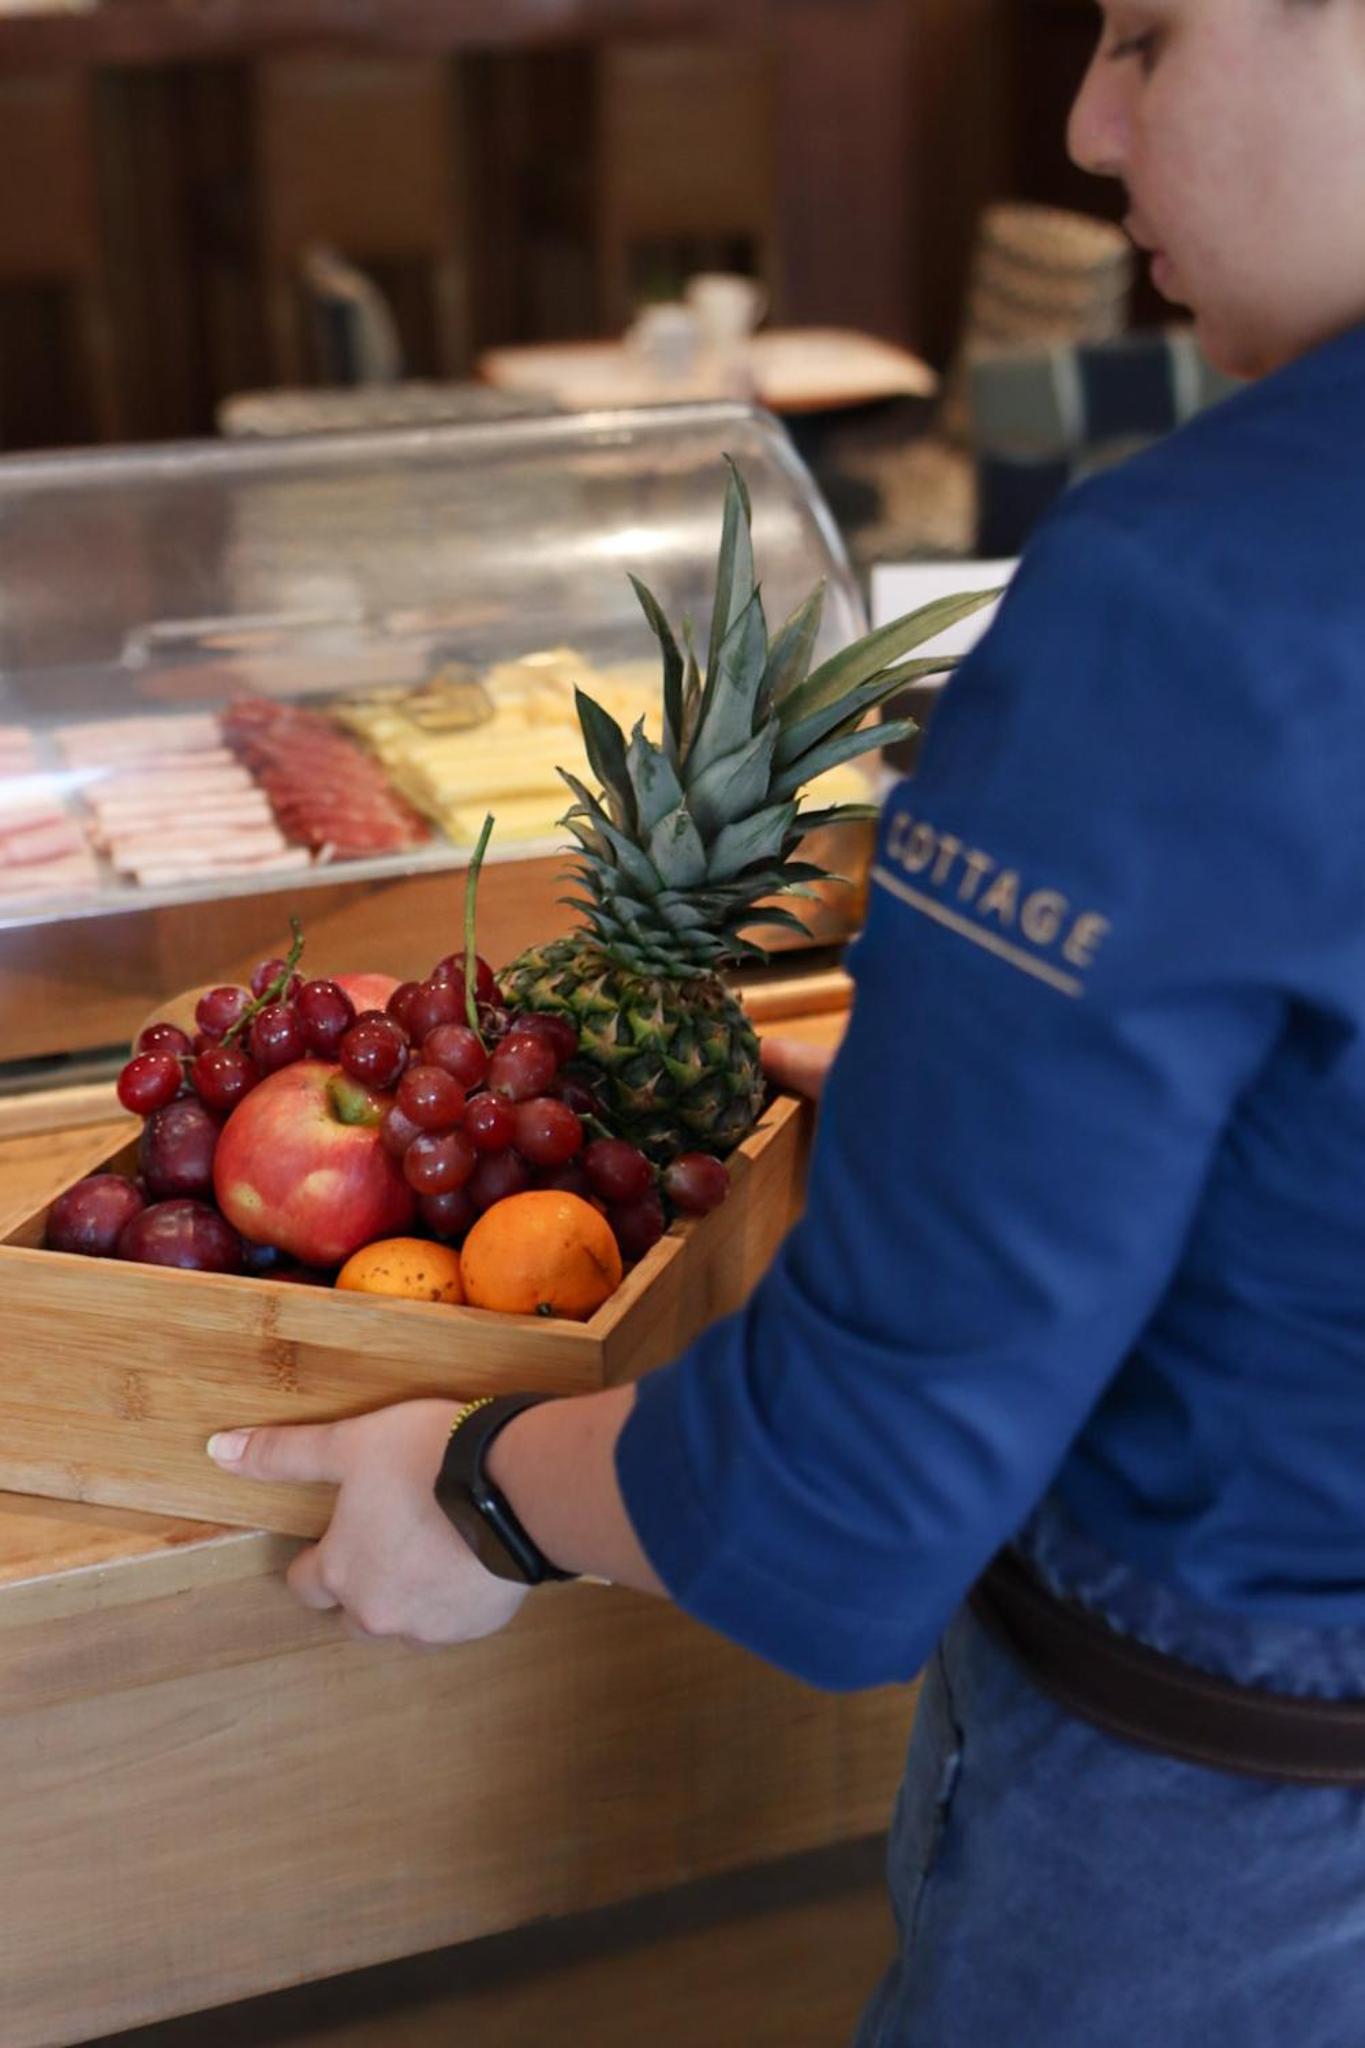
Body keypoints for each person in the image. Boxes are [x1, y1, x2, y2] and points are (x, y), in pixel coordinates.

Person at [207, 1, 1365, 2037]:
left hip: (1233, 1838)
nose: (1087, 125)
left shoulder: (1190, 584)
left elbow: (856, 1487)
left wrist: (477, 1488)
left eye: (1148, 34)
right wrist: (987, 1099)